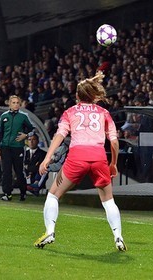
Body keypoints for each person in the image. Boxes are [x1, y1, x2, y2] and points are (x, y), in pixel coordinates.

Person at [34, 72, 126, 251]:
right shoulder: (104, 113)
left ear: (77, 96)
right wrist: (113, 163)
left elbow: (59, 135)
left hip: (77, 156)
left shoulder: (70, 112)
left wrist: (47, 158)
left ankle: (50, 231)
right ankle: (118, 236)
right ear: (93, 96)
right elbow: (114, 142)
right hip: (99, 156)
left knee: (53, 195)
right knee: (108, 200)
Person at [0, 95, 35, 201]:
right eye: (13, 102)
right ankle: (7, 194)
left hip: (18, 147)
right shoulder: (4, 116)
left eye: (17, 102)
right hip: (5, 147)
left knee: (19, 171)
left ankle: (23, 192)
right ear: (9, 104)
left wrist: (25, 135)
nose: (16, 104)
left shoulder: (23, 116)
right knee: (6, 171)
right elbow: (0, 132)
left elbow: (32, 129)